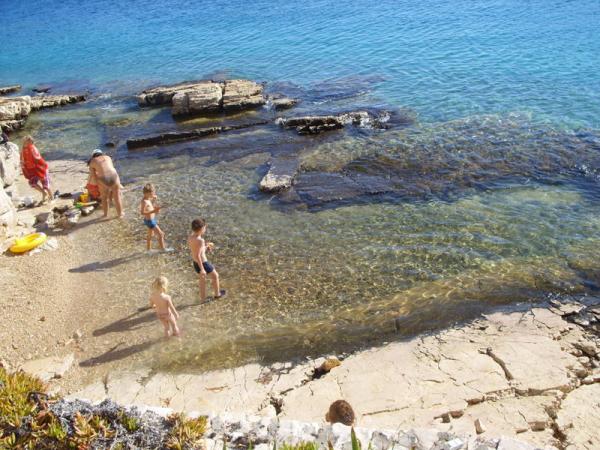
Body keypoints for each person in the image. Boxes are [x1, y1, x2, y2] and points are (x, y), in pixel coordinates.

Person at [188, 218, 226, 302]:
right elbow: (198, 255)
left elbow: (196, 251)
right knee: (215, 276)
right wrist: (202, 269)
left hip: (195, 263)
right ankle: (217, 294)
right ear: (201, 229)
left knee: (202, 281)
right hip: (203, 263)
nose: (205, 229)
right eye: (205, 228)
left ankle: (202, 299)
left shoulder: (191, 237)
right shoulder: (201, 240)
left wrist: (205, 247)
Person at [88, 149, 124, 218]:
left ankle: (105, 215)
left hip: (103, 178)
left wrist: (99, 186)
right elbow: (110, 168)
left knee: (104, 198)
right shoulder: (108, 157)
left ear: (93, 156)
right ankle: (120, 215)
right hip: (114, 176)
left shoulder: (92, 161)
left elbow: (94, 177)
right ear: (101, 153)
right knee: (117, 197)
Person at [20, 135, 53, 204]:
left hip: (40, 168)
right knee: (32, 183)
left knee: (45, 184)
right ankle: (44, 193)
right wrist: (24, 169)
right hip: (32, 170)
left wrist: (40, 168)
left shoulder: (33, 148)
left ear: (30, 142)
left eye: (25, 141)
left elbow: (38, 158)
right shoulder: (23, 150)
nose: (24, 143)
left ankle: (51, 197)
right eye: (23, 142)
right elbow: (22, 161)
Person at [140, 183, 170, 252]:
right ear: (146, 193)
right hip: (150, 221)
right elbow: (142, 212)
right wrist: (153, 211)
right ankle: (163, 249)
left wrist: (154, 201)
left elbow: (150, 206)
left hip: (150, 220)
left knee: (150, 235)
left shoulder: (148, 199)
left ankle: (148, 250)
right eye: (152, 193)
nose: (153, 194)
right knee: (161, 234)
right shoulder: (144, 202)